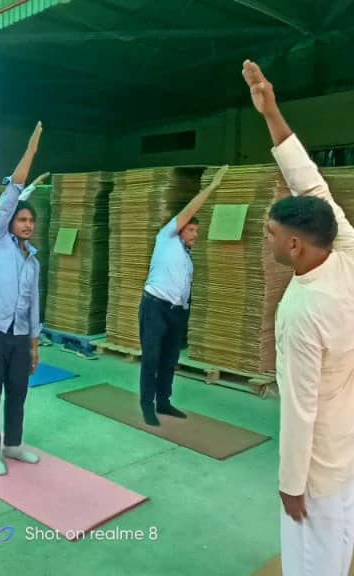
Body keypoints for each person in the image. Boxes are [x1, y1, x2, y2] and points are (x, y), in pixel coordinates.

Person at [243, 59, 354, 576]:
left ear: (293, 244)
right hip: (346, 442)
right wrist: (272, 113)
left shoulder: (301, 310)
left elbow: (299, 409)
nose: (266, 240)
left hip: (320, 462)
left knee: (313, 559)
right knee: (341, 538)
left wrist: (290, 484)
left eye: (270, 234)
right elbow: (313, 188)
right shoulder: (344, 252)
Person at [0, 121, 49, 475]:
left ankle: (13, 445)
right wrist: (31, 150)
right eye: (21, 219)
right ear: (9, 222)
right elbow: (12, 195)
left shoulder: (32, 260)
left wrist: (33, 344)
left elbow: (33, 304)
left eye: (31, 220)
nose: (27, 224)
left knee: (18, 390)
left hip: (19, 335)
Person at [138, 164, 228, 426]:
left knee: (169, 359)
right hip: (154, 307)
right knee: (152, 358)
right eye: (191, 230)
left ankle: (164, 402)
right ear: (179, 229)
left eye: (196, 231)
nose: (195, 235)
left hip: (176, 312)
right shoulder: (166, 237)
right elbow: (189, 210)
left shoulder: (187, 259)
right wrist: (212, 187)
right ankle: (147, 406)